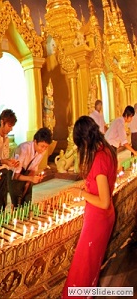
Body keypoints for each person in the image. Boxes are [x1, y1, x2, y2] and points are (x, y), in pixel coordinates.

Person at [62, 116, 117, 298]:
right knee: (91, 265)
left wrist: (81, 194)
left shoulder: (99, 158)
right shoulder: (107, 150)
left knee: (83, 266)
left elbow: (104, 201)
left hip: (98, 219)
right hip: (103, 217)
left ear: (84, 140)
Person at [9, 128, 52, 206]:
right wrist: (31, 179)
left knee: (27, 201)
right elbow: (15, 176)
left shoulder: (42, 151)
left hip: (27, 174)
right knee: (17, 203)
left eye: (46, 147)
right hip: (14, 174)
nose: (43, 149)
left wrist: (29, 181)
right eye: (42, 146)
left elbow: (33, 168)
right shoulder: (23, 149)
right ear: (35, 141)